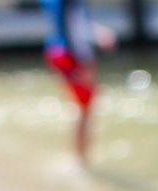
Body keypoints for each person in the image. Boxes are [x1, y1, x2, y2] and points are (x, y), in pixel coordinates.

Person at [43, 0, 114, 165]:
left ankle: (79, 156)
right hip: (71, 57)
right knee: (84, 108)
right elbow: (74, 30)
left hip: (57, 52)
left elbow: (75, 24)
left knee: (81, 107)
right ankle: (81, 160)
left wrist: (98, 32)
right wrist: (85, 63)